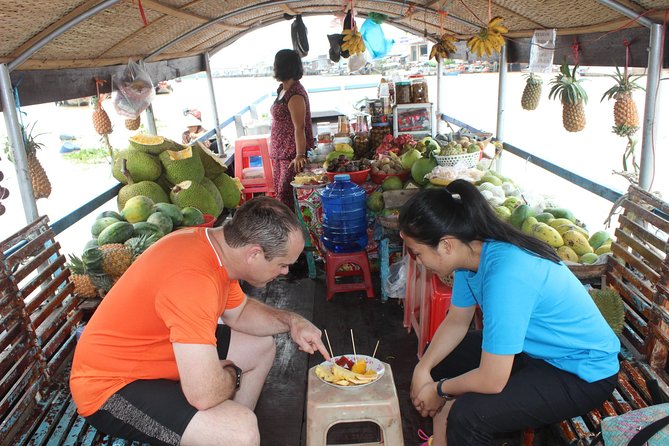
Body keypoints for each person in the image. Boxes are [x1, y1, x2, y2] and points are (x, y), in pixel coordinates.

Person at [70, 196, 330, 446]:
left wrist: (291, 321)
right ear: (254, 254)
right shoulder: (193, 281)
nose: (285, 272)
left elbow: (239, 313)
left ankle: (213, 433)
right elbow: (203, 394)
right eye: (283, 265)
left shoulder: (213, 248)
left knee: (259, 346)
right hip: (110, 389)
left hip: (155, 359)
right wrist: (232, 374)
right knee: (240, 433)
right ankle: (225, 434)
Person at [399, 180, 620, 446]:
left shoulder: (506, 273)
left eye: (417, 254)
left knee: (470, 416)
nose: (418, 262)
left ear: (446, 245)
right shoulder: (471, 257)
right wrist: (424, 368)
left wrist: (438, 389)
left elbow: (492, 379)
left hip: (582, 372)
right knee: (443, 360)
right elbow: (457, 321)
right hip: (536, 350)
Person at [270, 49, 314, 210]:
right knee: (280, 196)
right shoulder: (283, 90)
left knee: (286, 196)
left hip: (291, 156)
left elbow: (299, 127)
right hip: (280, 155)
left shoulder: (295, 94)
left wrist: (300, 155)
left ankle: (294, 232)